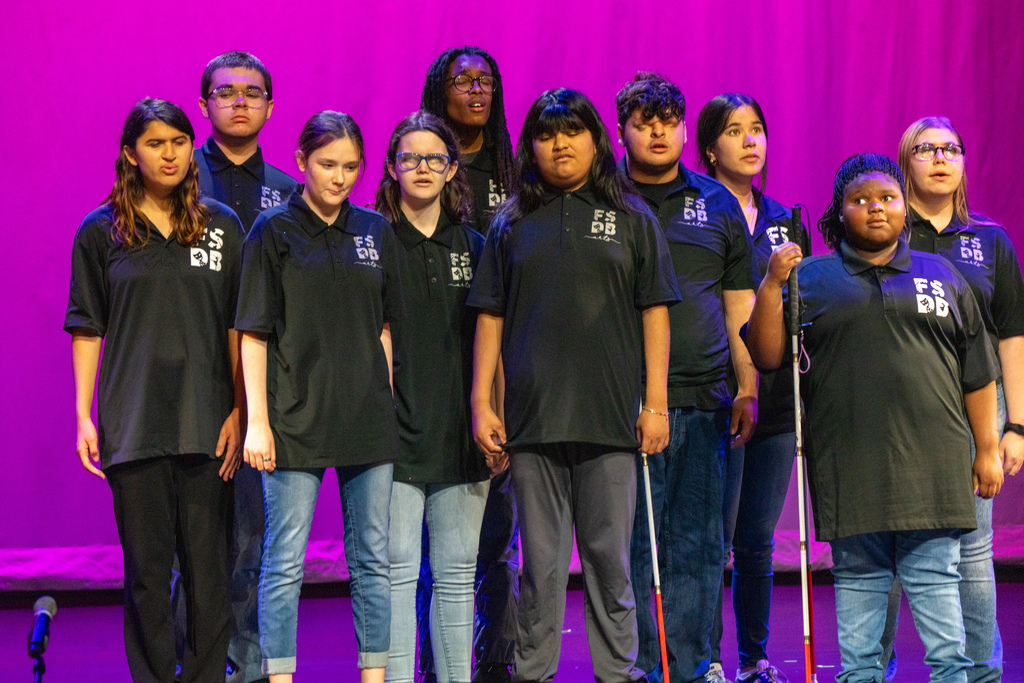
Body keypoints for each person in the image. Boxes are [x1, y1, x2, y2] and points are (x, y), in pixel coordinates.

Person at [745, 152, 1004, 683]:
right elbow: (768, 355)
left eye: (886, 198)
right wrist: (772, 284)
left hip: (934, 479)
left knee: (945, 640)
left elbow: (978, 375)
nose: (875, 209)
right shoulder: (811, 278)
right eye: (859, 201)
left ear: (903, 207)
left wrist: (986, 448)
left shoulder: (944, 275)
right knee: (861, 647)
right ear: (840, 212)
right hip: (851, 476)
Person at [468, 87, 680, 683]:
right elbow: (490, 316)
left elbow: (655, 311)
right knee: (539, 567)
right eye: (545, 135)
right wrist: (483, 401)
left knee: (610, 563)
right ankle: (534, 672)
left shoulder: (633, 218)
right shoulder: (511, 223)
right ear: (530, 146)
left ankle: (619, 673)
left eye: (572, 133)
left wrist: (656, 404)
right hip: (532, 424)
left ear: (596, 139)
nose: (560, 146)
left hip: (611, 421)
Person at [66, 98, 244, 682]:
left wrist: (241, 410)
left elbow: (238, 327)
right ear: (129, 153)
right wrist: (85, 418)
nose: (169, 154)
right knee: (146, 573)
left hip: (206, 420)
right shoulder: (101, 230)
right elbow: (87, 327)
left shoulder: (221, 225)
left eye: (178, 141)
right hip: (134, 422)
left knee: (208, 572)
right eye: (154, 143)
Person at [234, 111, 400, 683]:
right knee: (283, 564)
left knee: (372, 562)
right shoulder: (273, 231)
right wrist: (258, 422)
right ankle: (280, 676)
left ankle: (373, 675)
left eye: (351, 166)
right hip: (294, 417)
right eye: (328, 165)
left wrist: (387, 396)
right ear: (301, 161)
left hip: (366, 419)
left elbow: (382, 327)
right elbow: (253, 332)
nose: (340, 178)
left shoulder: (375, 230)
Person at [614, 72, 757, 683]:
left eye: (668, 121)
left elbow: (736, 307)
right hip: (624, 402)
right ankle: (644, 666)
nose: (656, 132)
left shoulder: (717, 202)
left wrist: (746, 381)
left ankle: (696, 664)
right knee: (636, 544)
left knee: (699, 544)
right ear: (622, 129)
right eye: (643, 122)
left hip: (704, 396)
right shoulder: (606, 200)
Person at [878, 117, 1024, 683]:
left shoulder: (989, 240)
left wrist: (1018, 426)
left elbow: (1012, 333)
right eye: (926, 149)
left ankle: (980, 673)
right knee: (884, 543)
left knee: (973, 547)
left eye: (951, 148)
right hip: (896, 411)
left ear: (962, 161)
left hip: (976, 411)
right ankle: (875, 669)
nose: (940, 157)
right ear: (905, 161)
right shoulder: (884, 231)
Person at [374, 111, 493, 683]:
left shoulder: (478, 245)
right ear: (392, 167)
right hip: (391, 437)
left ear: (452, 171)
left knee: (455, 574)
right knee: (394, 574)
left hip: (461, 433)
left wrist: (493, 418)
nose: (422, 168)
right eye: (410, 157)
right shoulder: (370, 242)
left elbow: (494, 342)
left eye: (435, 158)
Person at [695, 93, 806, 683]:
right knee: (715, 537)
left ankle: (755, 657)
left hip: (777, 400)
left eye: (758, 129)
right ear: (710, 148)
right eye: (735, 131)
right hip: (716, 397)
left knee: (757, 541)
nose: (750, 140)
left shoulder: (787, 218)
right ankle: (708, 656)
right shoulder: (697, 214)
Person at [195, 50, 298, 683]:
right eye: (226, 92)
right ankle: (195, 659)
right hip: (190, 383)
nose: (239, 101)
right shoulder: (177, 178)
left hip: (260, 391)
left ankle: (248, 665)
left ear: (268, 104)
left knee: (253, 541)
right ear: (204, 101)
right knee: (194, 539)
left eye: (252, 92)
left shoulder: (287, 192)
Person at [420, 45, 518, 683]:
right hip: (437, 361)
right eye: (463, 81)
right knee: (437, 543)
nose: (476, 91)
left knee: (498, 536)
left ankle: (498, 659)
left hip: (509, 363)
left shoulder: (515, 169)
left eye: (486, 80)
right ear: (440, 90)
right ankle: (433, 662)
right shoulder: (422, 161)